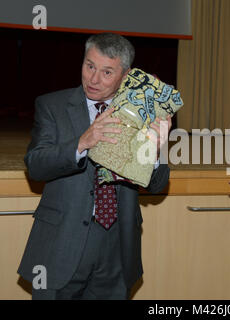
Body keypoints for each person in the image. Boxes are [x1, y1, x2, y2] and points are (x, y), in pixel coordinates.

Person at [18, 33, 171, 300]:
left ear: (125, 76)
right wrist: (82, 143)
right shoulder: (52, 105)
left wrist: (156, 151)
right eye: (89, 66)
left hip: (117, 247)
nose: (94, 79)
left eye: (107, 72)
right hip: (61, 245)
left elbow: (157, 186)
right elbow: (36, 166)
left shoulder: (142, 112)